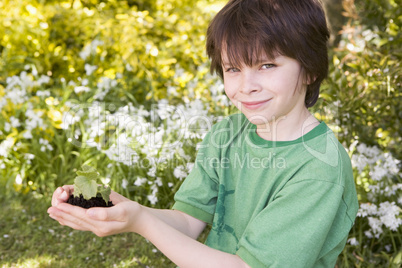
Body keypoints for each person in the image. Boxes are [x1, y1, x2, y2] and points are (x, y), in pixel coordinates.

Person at [48, 0, 359, 267]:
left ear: (310, 69)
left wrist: (141, 223)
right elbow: (186, 222)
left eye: (266, 65)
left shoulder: (319, 169)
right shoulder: (228, 134)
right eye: (233, 69)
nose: (246, 86)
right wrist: (121, 209)